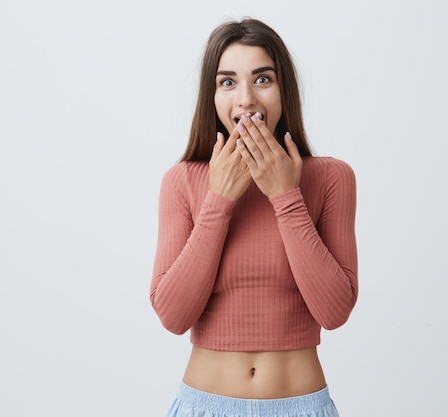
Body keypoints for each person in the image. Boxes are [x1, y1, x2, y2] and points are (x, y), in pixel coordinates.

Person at [150, 18, 358, 417]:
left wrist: (286, 196)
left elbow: (334, 313)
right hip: (203, 404)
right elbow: (173, 316)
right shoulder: (182, 182)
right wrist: (219, 200)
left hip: (301, 405)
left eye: (262, 79)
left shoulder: (331, 178)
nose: (245, 99)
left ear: (284, 92)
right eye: (228, 82)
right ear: (211, 96)